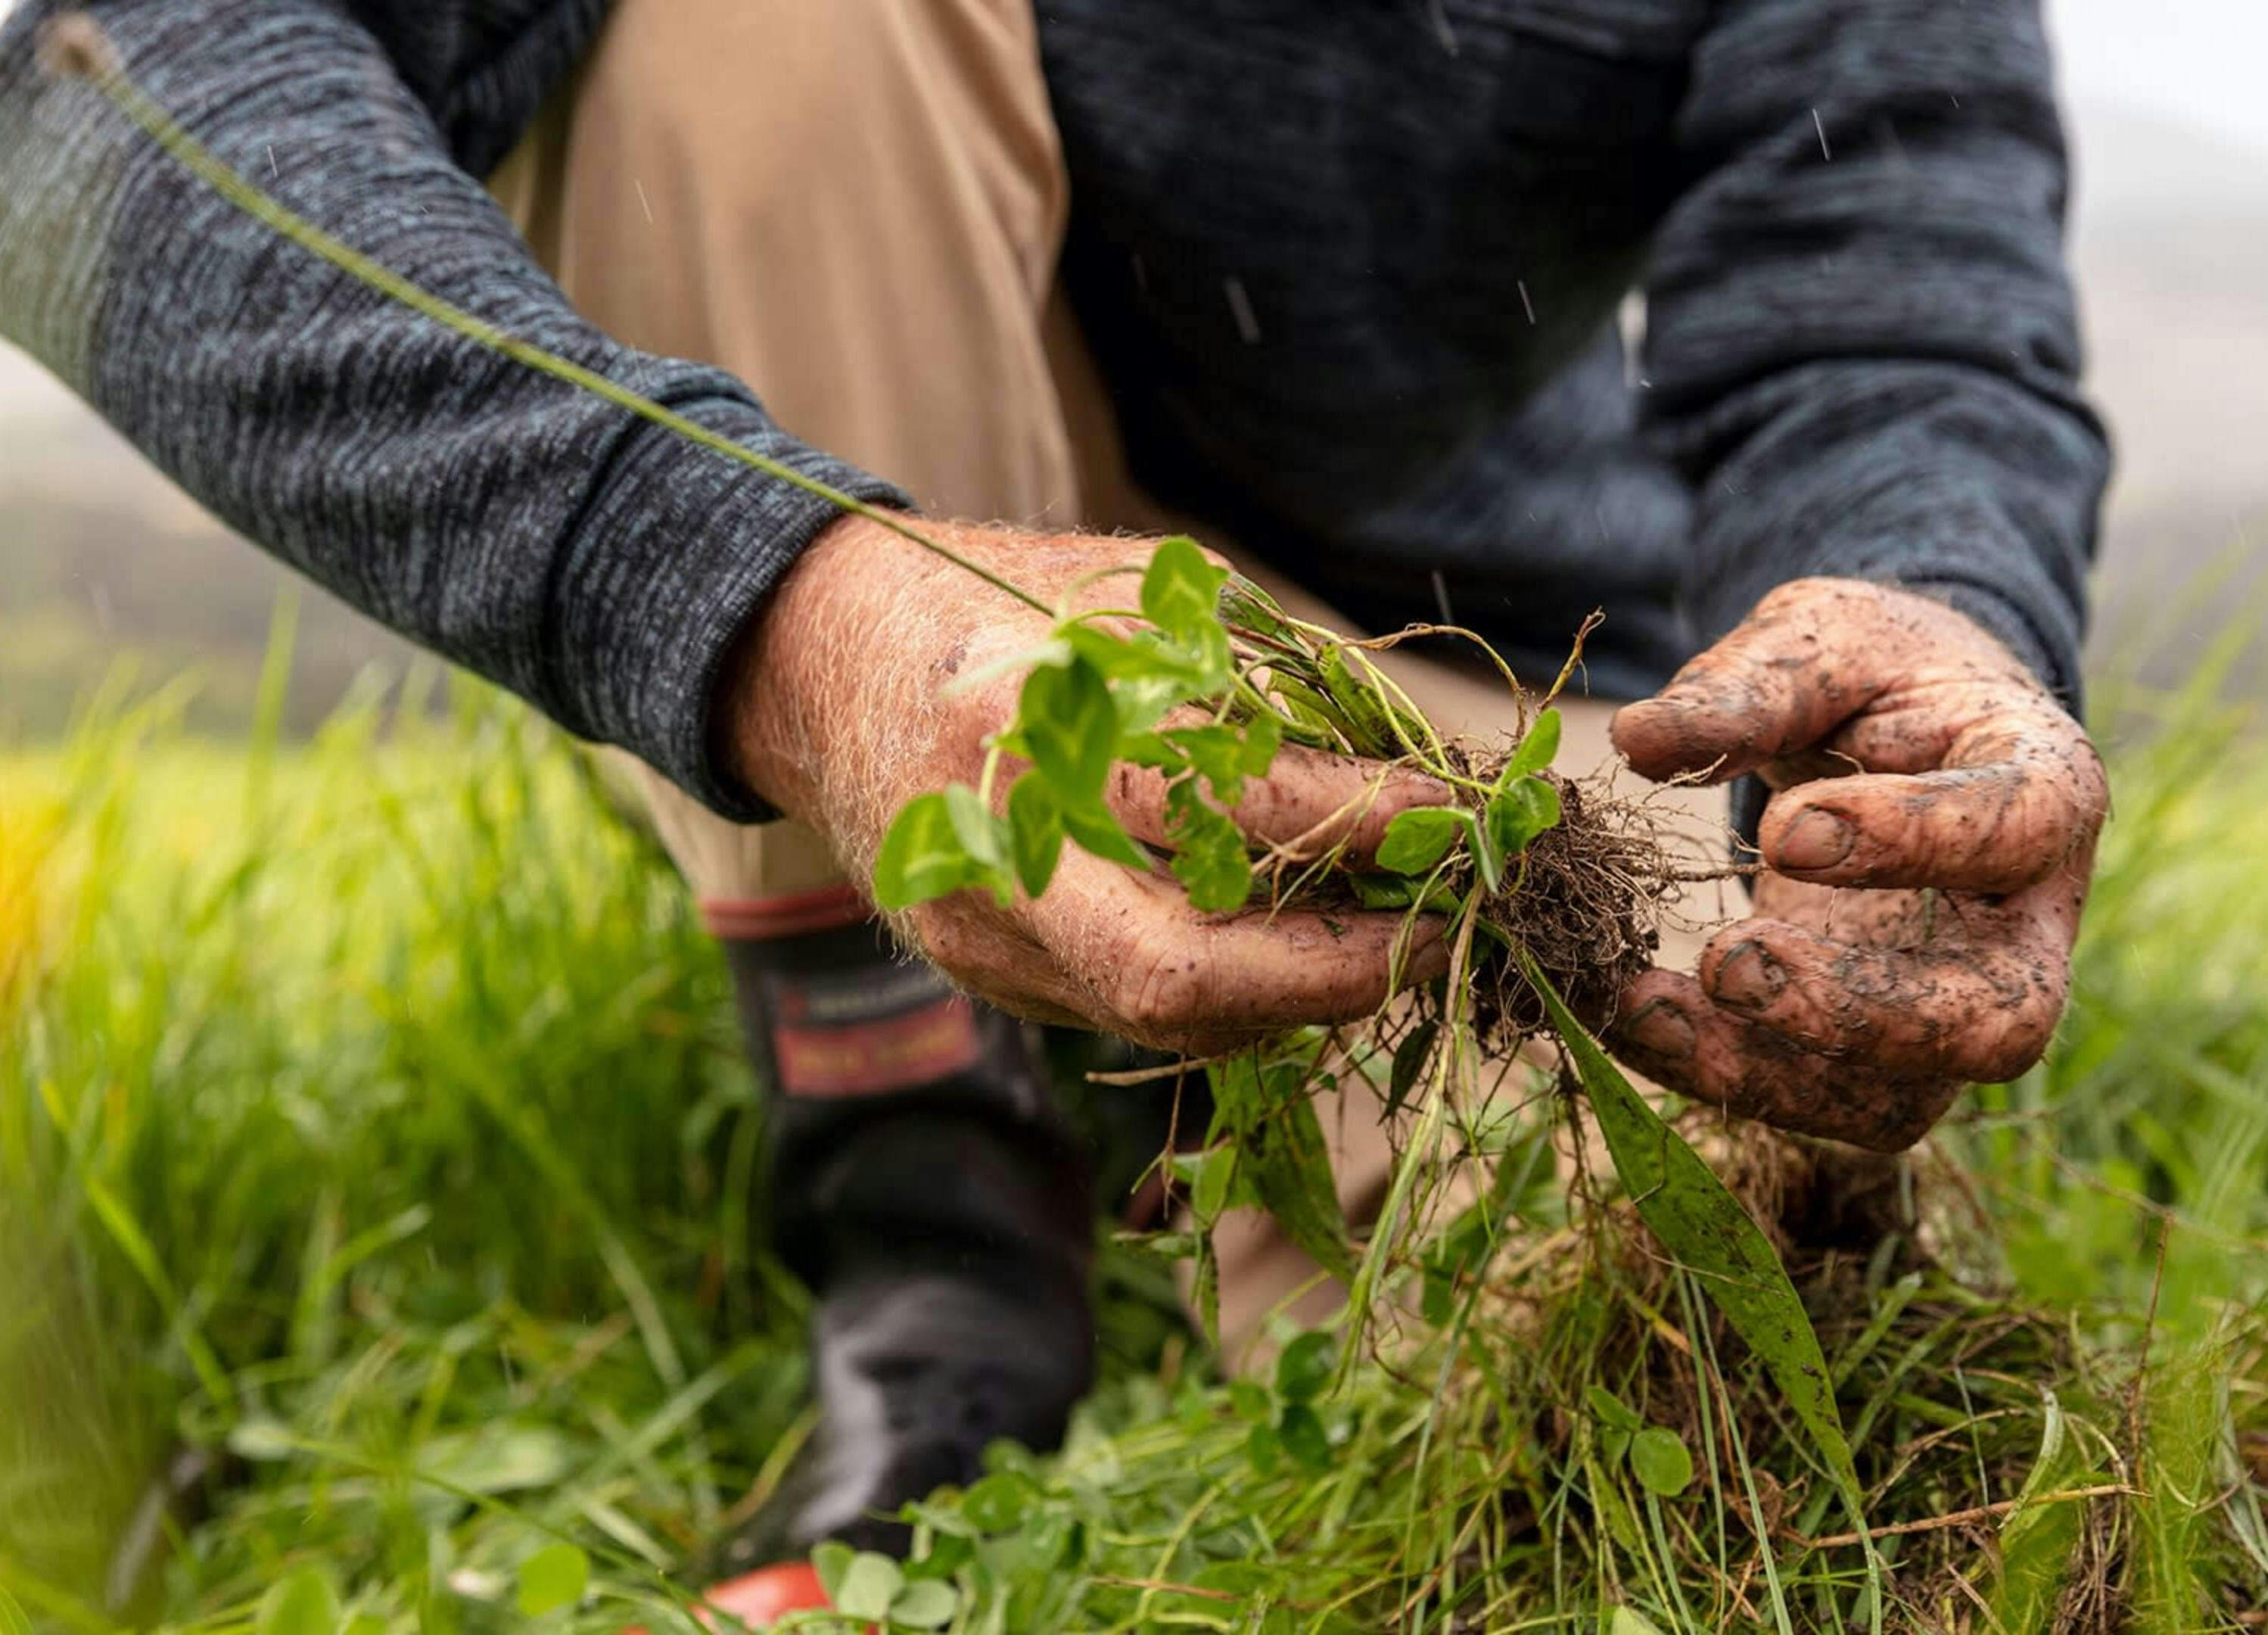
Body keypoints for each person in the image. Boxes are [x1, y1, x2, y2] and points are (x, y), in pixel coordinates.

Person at [0, 0, 2110, 1596]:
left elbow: (1895, 298)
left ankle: (1300, 1160)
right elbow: (106, 95)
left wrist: (1932, 644)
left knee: (1672, 1362)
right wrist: (786, 608)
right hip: (880, 540)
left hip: (1495, 726)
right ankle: (937, 1192)